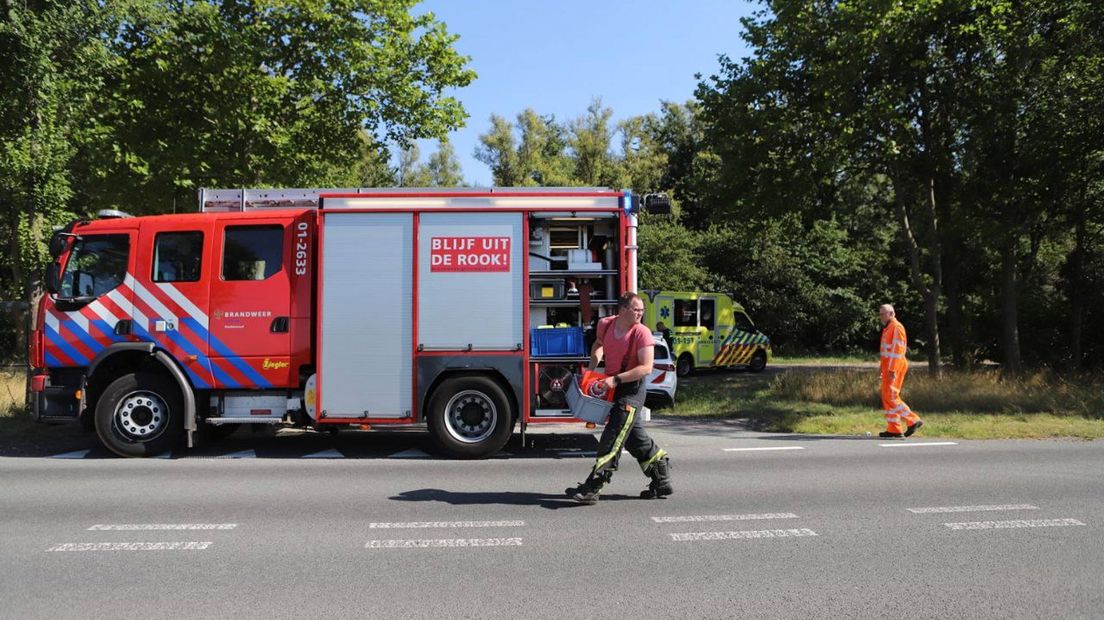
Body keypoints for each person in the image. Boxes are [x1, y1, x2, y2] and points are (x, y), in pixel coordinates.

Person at [565, 292, 673, 504]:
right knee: (634, 438)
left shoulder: (642, 333)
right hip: (614, 385)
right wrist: (591, 369)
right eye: (636, 310)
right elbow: (598, 344)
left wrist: (615, 380)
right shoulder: (605, 324)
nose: (640, 313)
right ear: (623, 309)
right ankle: (661, 479)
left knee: (613, 435)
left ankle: (593, 487)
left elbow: (646, 368)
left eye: (642, 310)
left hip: (632, 390)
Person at [878, 304, 923, 438]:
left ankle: (913, 420)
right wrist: (883, 369)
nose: (881, 316)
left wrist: (892, 369)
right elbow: (887, 352)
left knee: (891, 396)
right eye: (880, 314)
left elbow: (898, 351)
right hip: (889, 367)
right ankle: (894, 429)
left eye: (883, 314)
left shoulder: (896, 327)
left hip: (895, 367)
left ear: (892, 314)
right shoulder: (888, 328)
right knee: (887, 396)